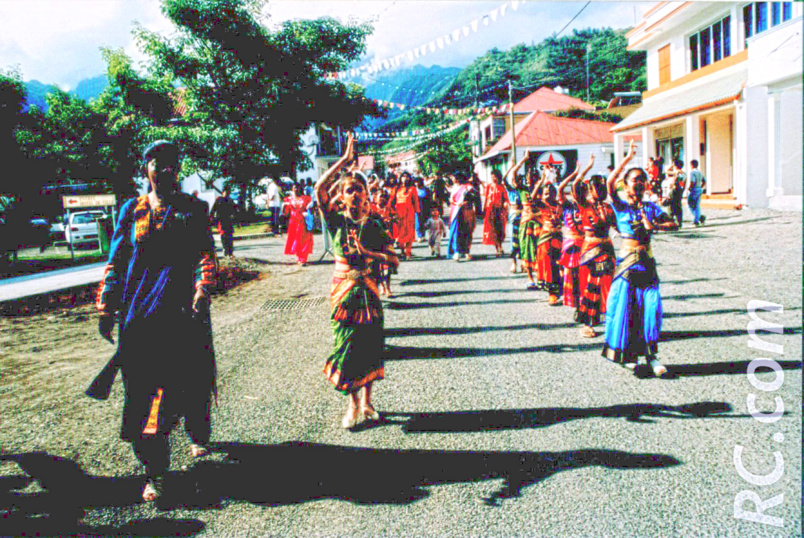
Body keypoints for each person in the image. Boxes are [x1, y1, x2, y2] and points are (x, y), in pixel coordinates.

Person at [92, 140, 217, 502]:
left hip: (181, 318)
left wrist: (202, 286)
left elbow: (204, 253)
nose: (164, 170)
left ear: (177, 171)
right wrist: (106, 307)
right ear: (144, 168)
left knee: (189, 387)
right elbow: (116, 262)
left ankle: (193, 437)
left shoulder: (193, 209)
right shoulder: (132, 210)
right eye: (156, 163)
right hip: (138, 321)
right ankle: (154, 472)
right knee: (141, 396)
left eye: (171, 165)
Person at [315, 135, 399, 429]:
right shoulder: (336, 221)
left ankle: (368, 402)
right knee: (347, 346)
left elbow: (394, 260)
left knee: (371, 346)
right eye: (348, 191)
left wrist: (370, 253)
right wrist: (344, 160)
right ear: (343, 196)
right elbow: (318, 189)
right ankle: (352, 405)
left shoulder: (374, 224)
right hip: (343, 293)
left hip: (369, 291)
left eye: (358, 190)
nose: (354, 195)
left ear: (366, 195)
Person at [603, 140, 678, 377]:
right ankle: (630, 356)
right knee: (628, 309)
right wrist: (627, 158)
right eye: (634, 179)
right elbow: (608, 183)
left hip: (647, 264)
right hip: (627, 265)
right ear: (626, 184)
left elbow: (673, 224)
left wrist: (653, 224)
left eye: (642, 179)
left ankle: (652, 357)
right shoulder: (620, 207)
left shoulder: (651, 207)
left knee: (651, 309)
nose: (639, 182)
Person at [574, 171, 616, 338]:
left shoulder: (608, 208)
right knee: (590, 286)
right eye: (596, 187)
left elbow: (618, 227)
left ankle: (612, 320)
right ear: (590, 190)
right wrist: (583, 170)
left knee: (609, 285)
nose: (600, 190)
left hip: (607, 249)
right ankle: (588, 322)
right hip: (591, 251)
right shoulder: (585, 206)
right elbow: (576, 188)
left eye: (602, 187)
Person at [557, 158, 594, 309]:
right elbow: (560, 188)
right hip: (571, 246)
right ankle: (576, 304)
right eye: (576, 190)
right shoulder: (567, 205)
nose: (579, 193)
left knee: (585, 275)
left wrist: (586, 169)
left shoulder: (590, 206)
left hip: (586, 245)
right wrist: (576, 173)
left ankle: (585, 304)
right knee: (571, 276)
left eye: (582, 190)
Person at [533, 177, 563, 305]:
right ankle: (552, 294)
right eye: (545, 193)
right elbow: (533, 198)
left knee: (559, 264)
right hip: (546, 239)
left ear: (555, 194)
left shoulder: (559, 206)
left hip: (558, 238)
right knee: (548, 266)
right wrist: (541, 181)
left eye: (550, 193)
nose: (548, 196)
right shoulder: (542, 205)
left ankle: (562, 291)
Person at [446, 171, 479, 261]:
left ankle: (466, 251)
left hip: (466, 212)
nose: (452, 179)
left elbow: (475, 197)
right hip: (455, 212)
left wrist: (466, 203)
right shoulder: (454, 188)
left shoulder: (468, 187)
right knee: (456, 232)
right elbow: (451, 199)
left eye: (453, 177)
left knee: (467, 232)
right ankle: (456, 251)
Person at [284, 183, 314, 266]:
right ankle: (299, 257)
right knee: (296, 240)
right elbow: (286, 213)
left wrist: (307, 211)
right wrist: (284, 206)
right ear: (292, 189)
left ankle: (303, 258)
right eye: (294, 188)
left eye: (297, 187)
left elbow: (311, 210)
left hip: (303, 221)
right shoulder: (289, 199)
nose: (296, 189)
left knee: (304, 239)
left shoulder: (306, 198)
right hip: (293, 222)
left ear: (300, 188)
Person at [482, 170, 509, 257]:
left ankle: (500, 245)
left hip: (499, 210)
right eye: (492, 176)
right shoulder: (489, 187)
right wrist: (483, 209)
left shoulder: (502, 187)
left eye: (495, 176)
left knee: (500, 229)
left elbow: (505, 198)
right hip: (490, 210)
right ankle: (497, 248)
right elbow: (486, 198)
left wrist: (505, 205)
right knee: (492, 230)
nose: (493, 178)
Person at [394, 172, 420, 259]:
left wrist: (418, 212)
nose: (405, 179)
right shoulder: (397, 189)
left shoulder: (412, 189)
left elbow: (416, 201)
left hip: (409, 213)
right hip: (399, 213)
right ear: (400, 178)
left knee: (409, 233)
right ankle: (402, 250)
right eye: (403, 177)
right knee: (400, 234)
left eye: (407, 177)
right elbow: (392, 200)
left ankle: (408, 252)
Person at [211, 187, 236, 258]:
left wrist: (236, 219)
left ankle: (230, 252)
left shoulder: (230, 200)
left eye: (228, 192)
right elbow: (213, 210)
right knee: (224, 235)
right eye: (226, 192)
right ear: (222, 192)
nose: (227, 193)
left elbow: (235, 210)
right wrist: (211, 218)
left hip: (229, 220)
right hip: (221, 220)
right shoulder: (219, 200)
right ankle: (225, 251)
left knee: (230, 235)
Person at [664, 159, 686, 227]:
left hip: (674, 190)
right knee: (678, 206)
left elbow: (666, 171)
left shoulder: (676, 172)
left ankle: (671, 221)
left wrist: (672, 165)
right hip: (680, 190)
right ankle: (679, 222)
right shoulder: (684, 173)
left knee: (671, 206)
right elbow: (684, 183)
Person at [686, 160, 706, 226]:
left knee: (689, 205)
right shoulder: (700, 172)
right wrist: (700, 186)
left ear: (691, 165)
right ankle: (698, 218)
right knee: (697, 205)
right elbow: (704, 181)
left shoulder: (692, 172)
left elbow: (692, 181)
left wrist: (689, 187)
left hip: (694, 189)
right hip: (699, 189)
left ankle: (698, 218)